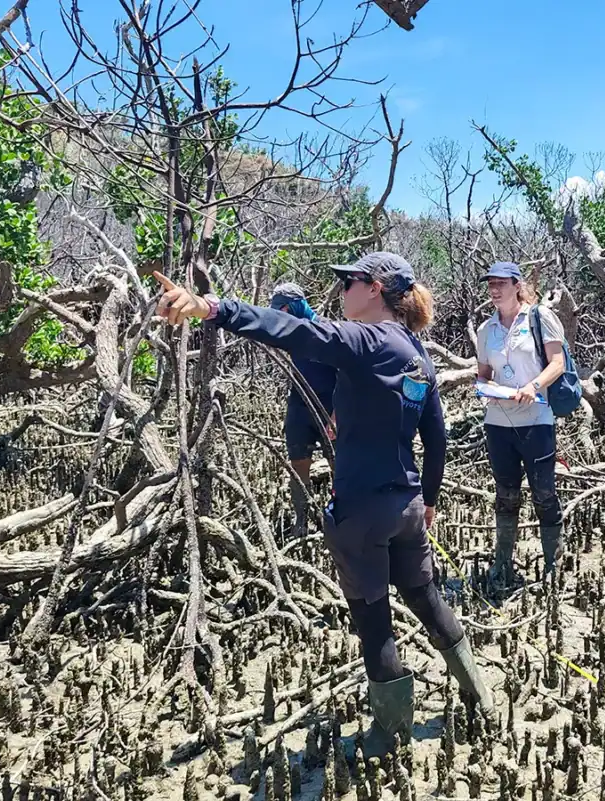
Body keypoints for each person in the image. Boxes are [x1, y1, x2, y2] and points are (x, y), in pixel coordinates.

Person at [153, 252, 493, 757]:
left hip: (359, 510)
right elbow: (436, 438)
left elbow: (294, 332)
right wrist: (430, 501)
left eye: (348, 282)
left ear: (374, 288)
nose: (340, 291)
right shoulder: (416, 354)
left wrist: (211, 307)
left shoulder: (364, 340)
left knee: (373, 619)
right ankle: (479, 697)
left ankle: (389, 734)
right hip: (405, 506)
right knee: (425, 599)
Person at [475, 261, 567, 585]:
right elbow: (483, 375)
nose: (495, 289)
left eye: (501, 283)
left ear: (517, 285)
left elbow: (558, 363)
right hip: (498, 423)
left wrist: (533, 386)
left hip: (537, 420)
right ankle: (502, 564)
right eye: (491, 284)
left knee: (544, 493)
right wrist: (484, 390)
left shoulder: (540, 317)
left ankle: (553, 567)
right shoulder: (486, 330)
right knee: (506, 494)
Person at [268, 282, 338, 538]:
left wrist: (337, 414)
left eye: (284, 308)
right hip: (299, 405)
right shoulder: (290, 333)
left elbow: (345, 376)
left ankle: (339, 518)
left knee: (338, 465)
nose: (281, 314)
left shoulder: (327, 331)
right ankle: (301, 522)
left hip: (329, 407)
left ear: (296, 305)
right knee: (298, 464)